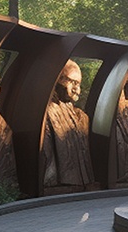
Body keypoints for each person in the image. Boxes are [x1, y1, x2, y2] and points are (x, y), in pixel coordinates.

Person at [41, 60, 96, 192]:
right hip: (61, 183)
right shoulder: (49, 111)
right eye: (72, 82)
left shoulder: (80, 117)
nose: (77, 89)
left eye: (78, 84)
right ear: (57, 80)